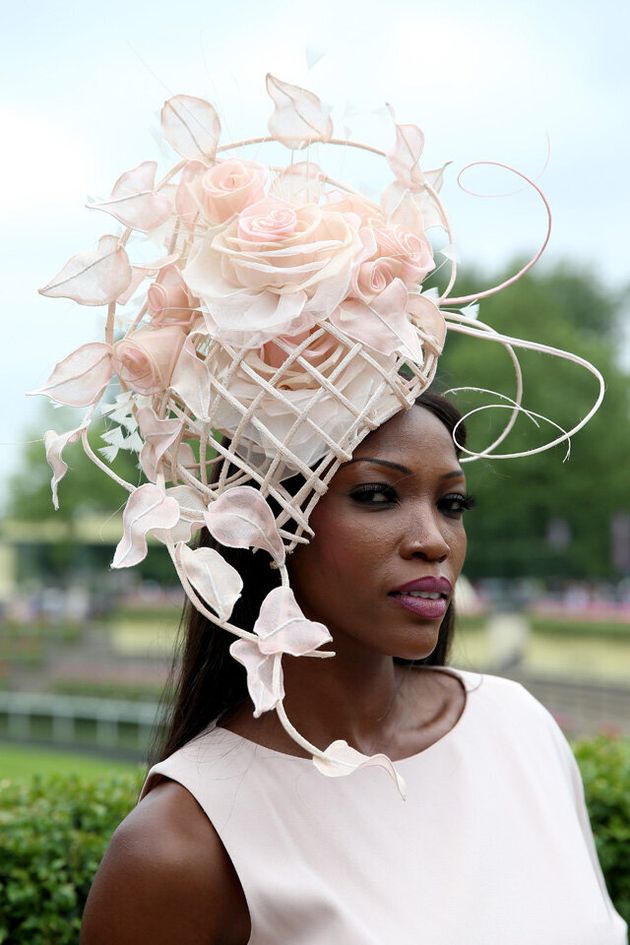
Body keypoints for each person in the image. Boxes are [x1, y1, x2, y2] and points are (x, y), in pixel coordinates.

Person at [33, 76, 626, 943]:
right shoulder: (181, 846)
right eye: (379, 495)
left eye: (451, 503)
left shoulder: (521, 731)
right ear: (265, 522)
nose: (434, 541)